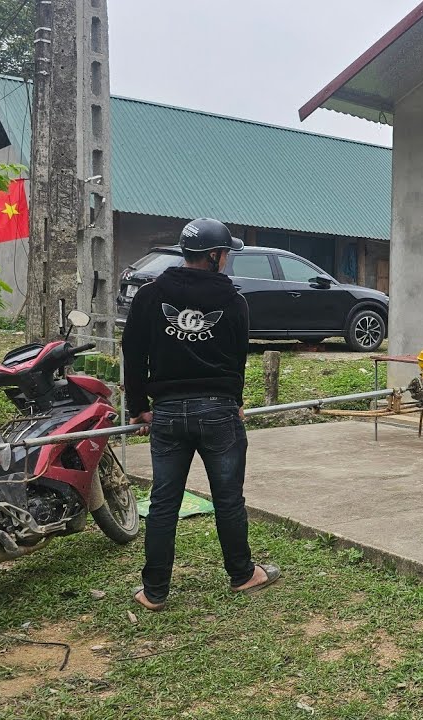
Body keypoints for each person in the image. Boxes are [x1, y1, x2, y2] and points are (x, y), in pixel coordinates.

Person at [122, 217, 280, 611]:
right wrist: (235, 400)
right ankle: (243, 574)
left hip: (168, 414)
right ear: (213, 255)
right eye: (225, 252)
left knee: (163, 503)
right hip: (219, 413)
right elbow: (236, 359)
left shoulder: (149, 296)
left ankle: (154, 592)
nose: (227, 259)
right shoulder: (233, 302)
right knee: (228, 500)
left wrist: (139, 407)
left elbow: (132, 354)